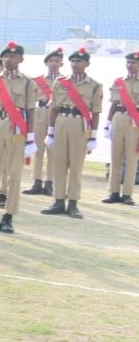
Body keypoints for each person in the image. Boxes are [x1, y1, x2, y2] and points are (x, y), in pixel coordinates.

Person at [40, 48, 102, 219]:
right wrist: (50, 132)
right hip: (61, 121)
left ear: (87, 64)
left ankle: (73, 203)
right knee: (59, 164)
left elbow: (95, 112)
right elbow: (53, 108)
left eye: (79, 61)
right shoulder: (60, 82)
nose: (75, 64)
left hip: (80, 124)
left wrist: (93, 136)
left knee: (75, 166)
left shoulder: (95, 85)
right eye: (73, 61)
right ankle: (58, 201)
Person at [0, 42, 35, 234]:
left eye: (12, 57)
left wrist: (31, 138)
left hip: (17, 128)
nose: (8, 60)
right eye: (5, 56)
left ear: (20, 59)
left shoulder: (28, 82)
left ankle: (8, 217)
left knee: (14, 173)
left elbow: (30, 111)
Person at [25, 48, 65, 197]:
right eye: (51, 61)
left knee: (53, 150)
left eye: (56, 61)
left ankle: (50, 182)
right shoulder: (36, 81)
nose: (53, 63)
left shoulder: (65, 81)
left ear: (61, 63)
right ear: (46, 63)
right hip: (40, 113)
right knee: (38, 148)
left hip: (58, 114)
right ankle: (36, 181)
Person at [103, 52, 139, 205]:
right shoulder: (118, 82)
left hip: (135, 121)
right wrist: (107, 123)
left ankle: (127, 194)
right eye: (128, 62)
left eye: (133, 63)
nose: (130, 65)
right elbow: (113, 103)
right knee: (115, 156)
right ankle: (114, 192)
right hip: (118, 117)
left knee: (131, 158)